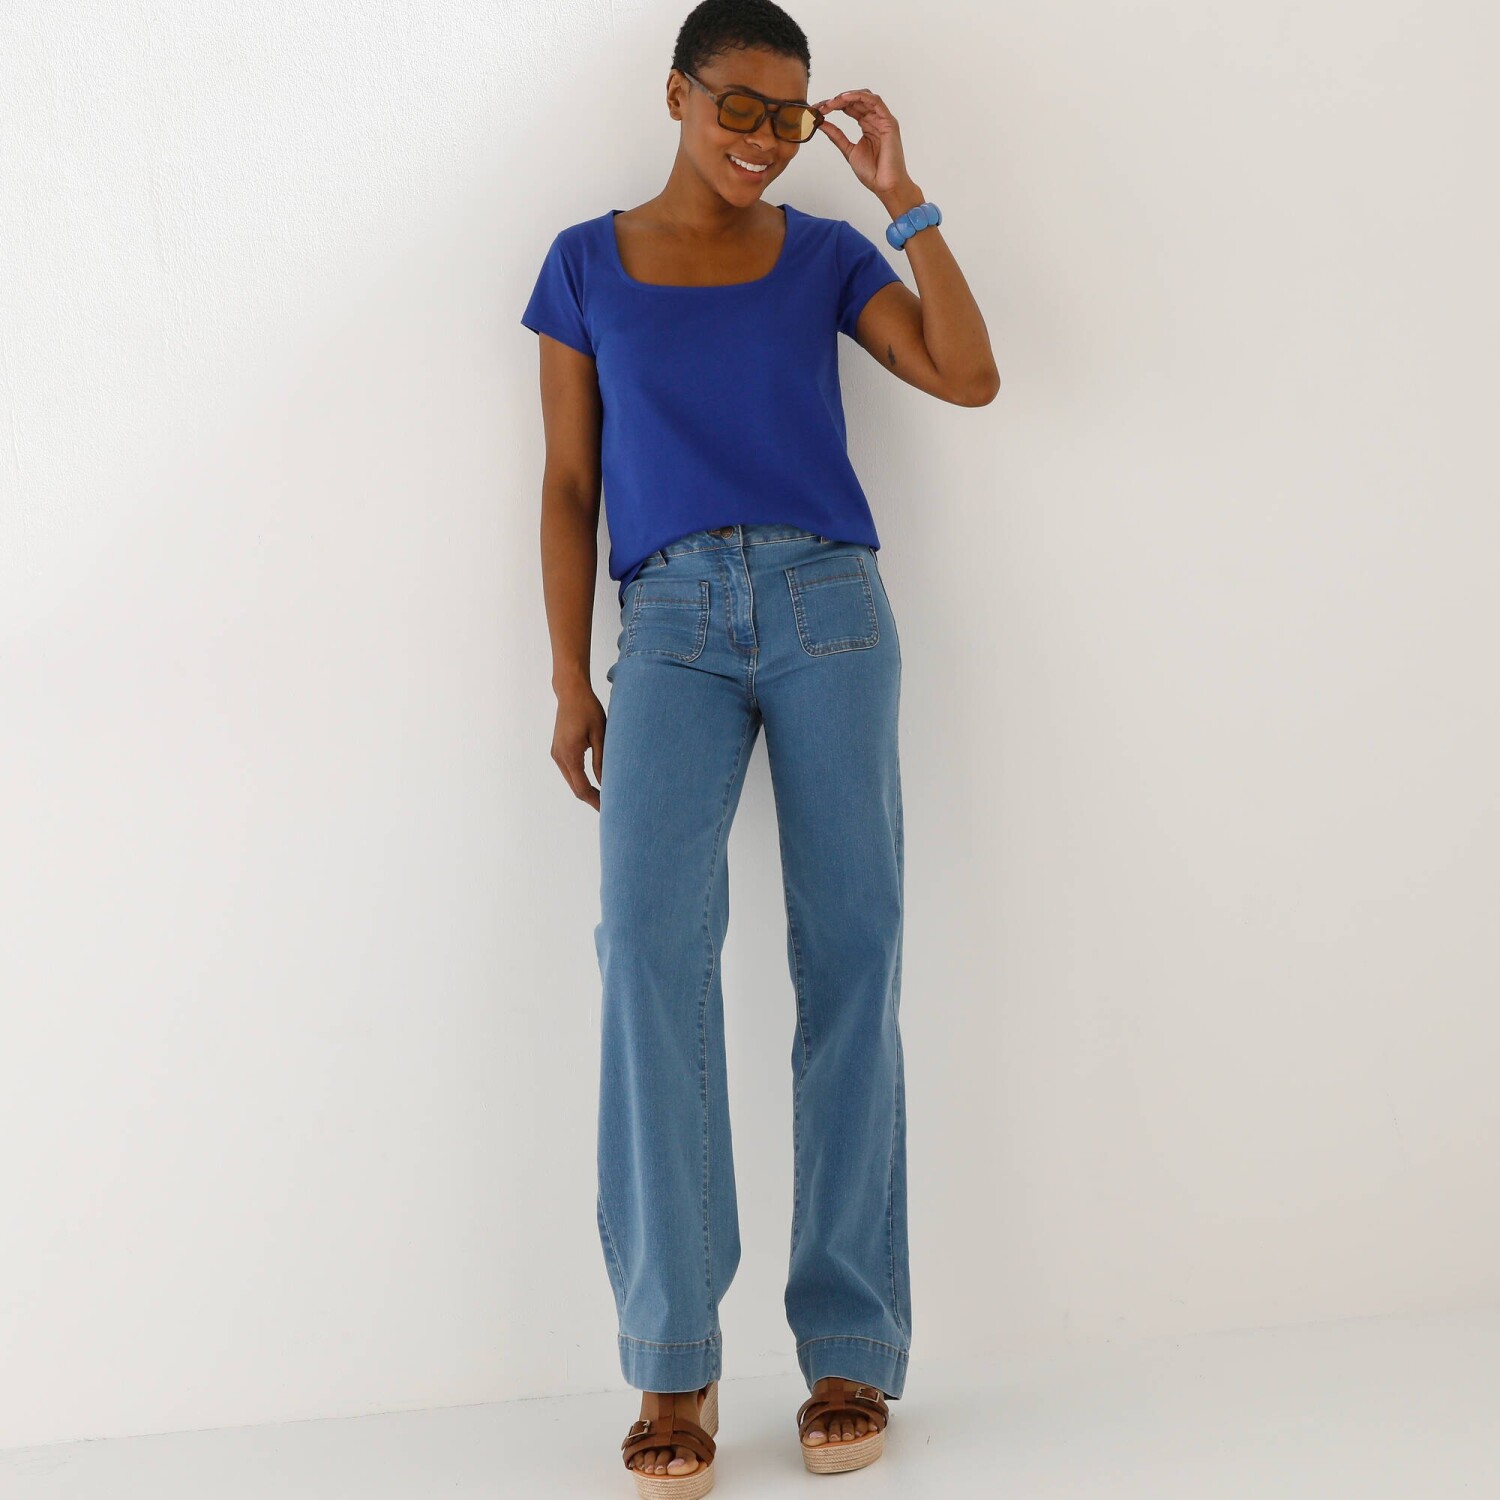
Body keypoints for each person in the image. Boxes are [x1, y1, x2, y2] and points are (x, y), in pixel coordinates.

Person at [520, 1, 999, 1489]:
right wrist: (570, 680)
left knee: (851, 957)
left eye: (789, 118)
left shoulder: (824, 255)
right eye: (739, 106)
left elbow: (968, 374)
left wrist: (902, 197)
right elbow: (569, 485)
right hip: (665, 623)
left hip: (827, 608)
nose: (763, 141)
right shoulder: (584, 263)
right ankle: (675, 1362)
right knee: (646, 956)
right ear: (676, 93)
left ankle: (850, 1343)